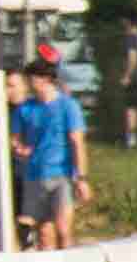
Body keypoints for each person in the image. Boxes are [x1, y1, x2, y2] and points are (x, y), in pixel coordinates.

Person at [7, 56, 88, 249]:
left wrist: (82, 178)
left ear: (43, 79)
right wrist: (19, 148)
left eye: (31, 79)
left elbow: (77, 142)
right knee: (44, 233)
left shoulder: (68, 106)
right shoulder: (25, 109)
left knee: (63, 229)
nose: (28, 84)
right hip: (34, 176)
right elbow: (15, 139)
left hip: (62, 175)